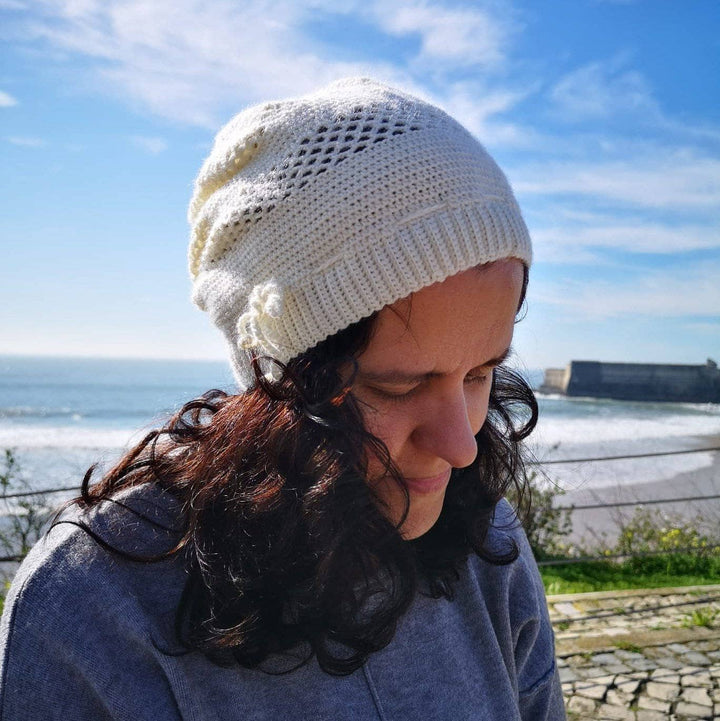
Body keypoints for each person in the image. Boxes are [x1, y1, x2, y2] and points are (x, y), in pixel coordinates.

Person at [0, 77, 565, 720]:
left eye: (479, 374)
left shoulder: (489, 545)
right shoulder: (93, 608)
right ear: (275, 377)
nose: (462, 447)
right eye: (398, 385)